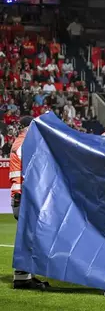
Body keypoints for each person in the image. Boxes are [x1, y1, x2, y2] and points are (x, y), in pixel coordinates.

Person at [10, 116, 50, 290]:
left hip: (20, 196)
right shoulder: (24, 144)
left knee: (29, 236)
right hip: (23, 197)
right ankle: (22, 278)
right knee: (28, 237)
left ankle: (26, 276)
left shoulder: (20, 143)